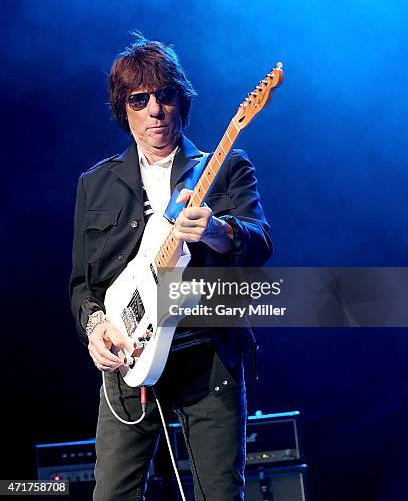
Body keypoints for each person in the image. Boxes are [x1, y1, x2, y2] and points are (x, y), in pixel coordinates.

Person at [70, 33, 272, 500]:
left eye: (164, 96)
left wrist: (219, 231)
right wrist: (97, 326)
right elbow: (81, 284)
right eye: (139, 100)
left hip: (207, 356)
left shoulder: (226, 167)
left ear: (181, 101)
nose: (154, 110)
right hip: (128, 363)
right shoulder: (95, 185)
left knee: (219, 493)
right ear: (124, 109)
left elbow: (260, 242)